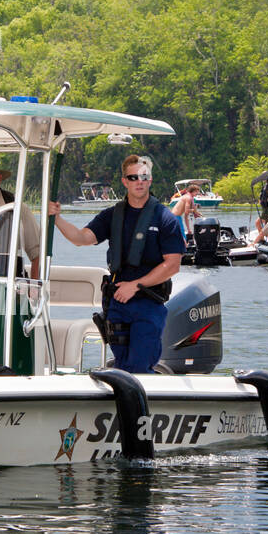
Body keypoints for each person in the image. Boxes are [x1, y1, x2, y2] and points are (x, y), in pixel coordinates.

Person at [48, 154, 185, 373]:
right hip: (117, 306)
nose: (139, 181)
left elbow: (172, 265)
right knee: (122, 367)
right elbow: (81, 238)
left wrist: (136, 285)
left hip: (147, 304)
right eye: (133, 177)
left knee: (139, 367)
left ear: (150, 180)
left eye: (143, 176)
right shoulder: (111, 216)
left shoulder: (164, 218)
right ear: (124, 181)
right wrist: (56, 219)